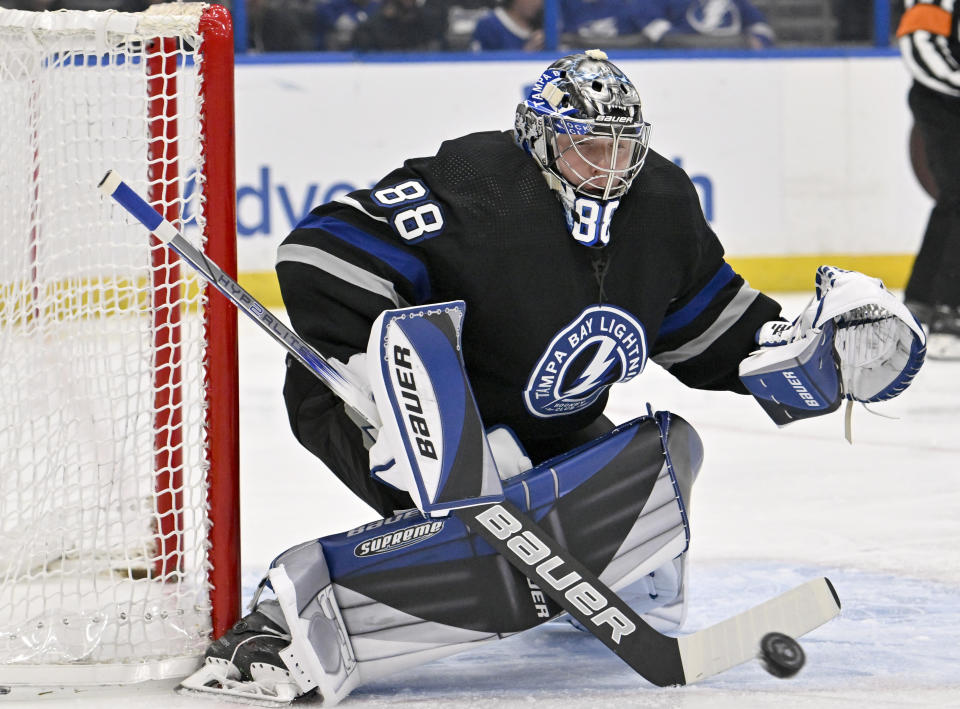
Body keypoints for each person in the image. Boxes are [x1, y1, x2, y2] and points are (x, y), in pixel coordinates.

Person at [178, 51, 924, 705]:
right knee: (471, 516)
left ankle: (620, 573)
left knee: (668, 452)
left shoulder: (659, 204)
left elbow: (705, 322)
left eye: (622, 147)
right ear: (539, 137)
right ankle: (296, 606)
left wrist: (792, 350)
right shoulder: (477, 180)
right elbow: (320, 250)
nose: (608, 166)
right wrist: (379, 370)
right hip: (388, 408)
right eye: (586, 145)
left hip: (543, 425)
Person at [897, 0, 960, 359]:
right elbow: (921, 47)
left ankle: (923, 299)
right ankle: (948, 311)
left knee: (953, 200)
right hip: (944, 104)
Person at [655, 0, 775, 49]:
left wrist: (758, 40)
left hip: (732, 61)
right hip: (685, 63)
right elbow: (665, 37)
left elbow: (761, 27)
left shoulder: (737, 2)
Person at [471, 0, 544, 52]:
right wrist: (524, 55)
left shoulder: (543, 24)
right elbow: (478, 66)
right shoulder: (489, 25)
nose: (537, 2)